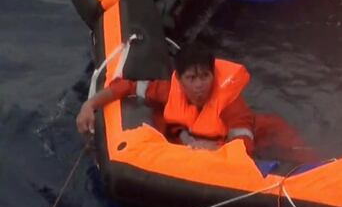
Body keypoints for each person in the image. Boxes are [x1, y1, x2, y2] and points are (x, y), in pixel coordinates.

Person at [76, 45, 311, 160]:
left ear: (213, 75)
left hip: (263, 135)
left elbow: (243, 147)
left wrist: (216, 149)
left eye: (204, 76)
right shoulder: (169, 91)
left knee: (303, 157)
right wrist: (89, 105)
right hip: (194, 140)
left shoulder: (231, 104)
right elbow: (126, 86)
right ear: (180, 79)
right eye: (192, 78)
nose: (199, 85)